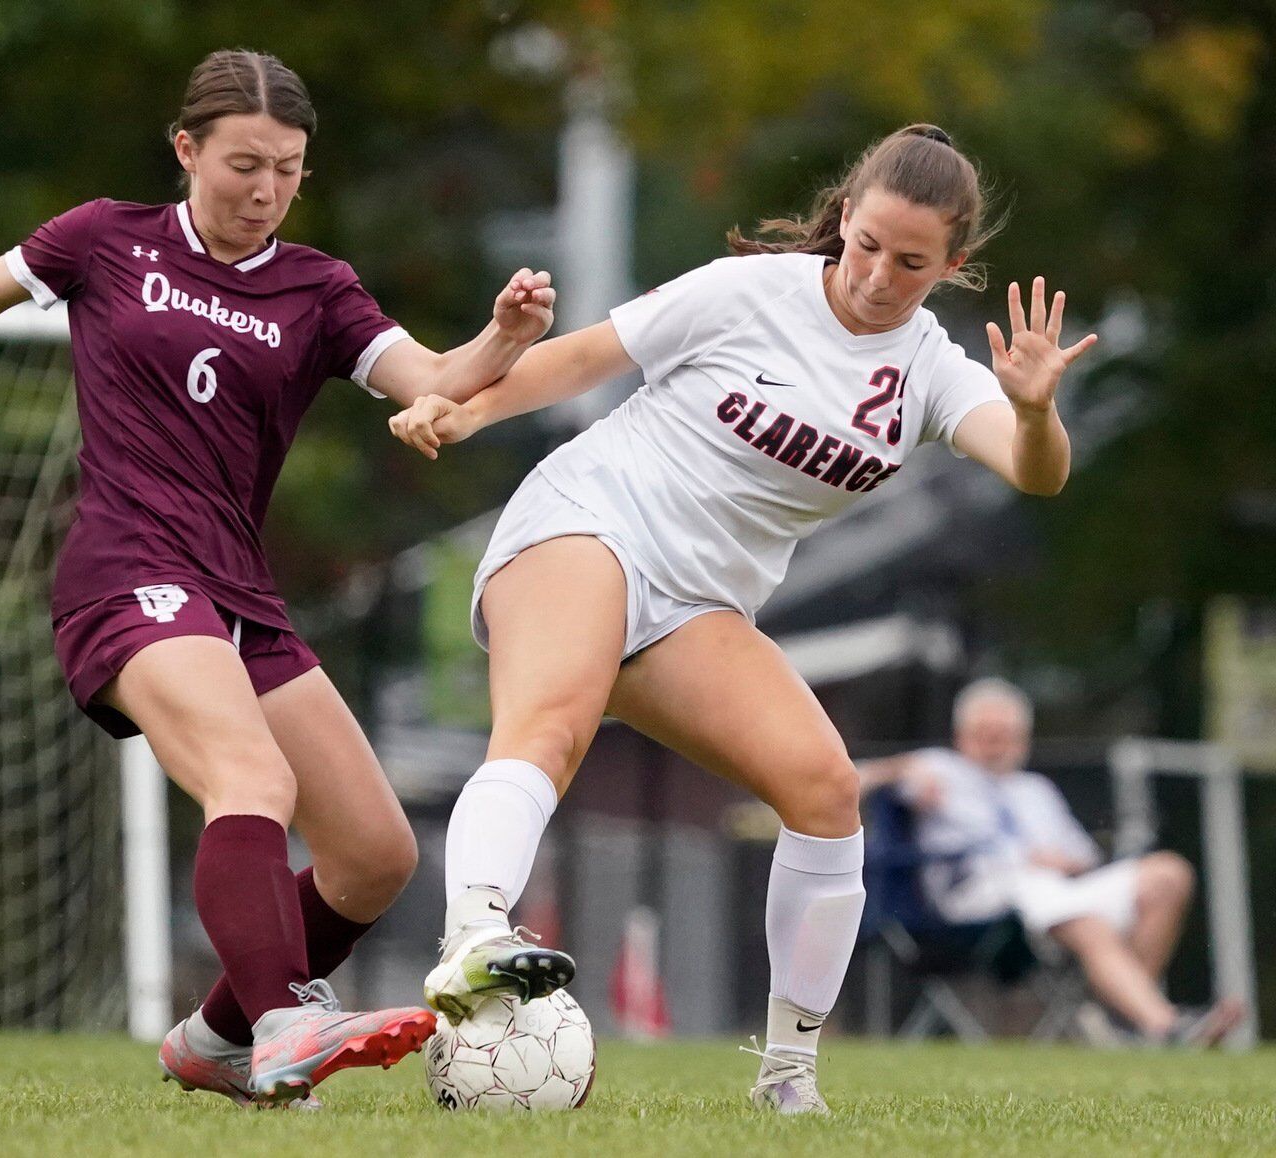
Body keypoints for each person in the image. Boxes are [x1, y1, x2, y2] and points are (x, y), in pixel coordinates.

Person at [0, 49, 557, 1107]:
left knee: (374, 853)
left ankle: (216, 1040)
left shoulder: (317, 289)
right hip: (126, 573)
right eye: (243, 163)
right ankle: (287, 1020)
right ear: (185, 149)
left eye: (287, 169)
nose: (264, 190)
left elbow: (429, 379)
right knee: (252, 782)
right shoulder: (107, 239)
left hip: (236, 592)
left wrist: (500, 339)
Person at [388, 124, 1096, 1115]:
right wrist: (462, 409)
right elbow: (584, 358)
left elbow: (1035, 471)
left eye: (912, 262)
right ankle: (473, 940)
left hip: (695, 605)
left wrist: (1030, 410)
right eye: (867, 245)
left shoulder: (928, 369)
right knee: (549, 728)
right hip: (587, 521)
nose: (879, 276)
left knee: (824, 789)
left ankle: (786, 1079)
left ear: (952, 267)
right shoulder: (749, 291)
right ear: (843, 217)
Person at [861, 677, 1246, 1046]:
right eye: (984, 732)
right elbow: (853, 777)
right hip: (974, 898)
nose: (994, 743)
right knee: (1075, 913)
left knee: (1168, 874)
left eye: (1003, 733)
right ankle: (1165, 1026)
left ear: (1021, 739)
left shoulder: (1036, 790)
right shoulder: (938, 766)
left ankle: (1120, 1016)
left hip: (1053, 890)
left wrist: (1063, 862)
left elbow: (1085, 858)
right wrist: (901, 769)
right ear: (961, 735)